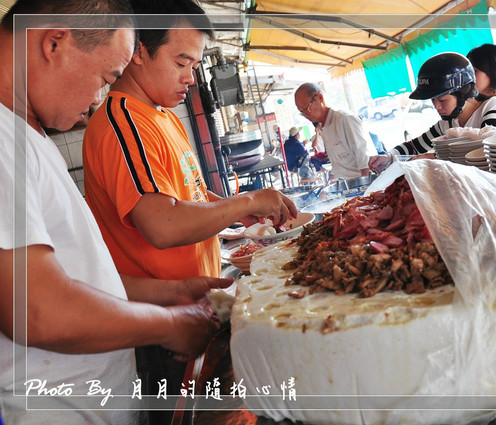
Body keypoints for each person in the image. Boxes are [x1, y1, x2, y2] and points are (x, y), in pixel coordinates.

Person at [0, 1, 232, 425]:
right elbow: (38, 310)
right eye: (106, 77)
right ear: (54, 42)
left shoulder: (26, 134)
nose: (99, 98)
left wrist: (171, 293)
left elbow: (75, 278)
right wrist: (170, 324)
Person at [81, 0, 296, 419]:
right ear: (138, 51)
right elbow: (161, 222)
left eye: (195, 65)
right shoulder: (123, 121)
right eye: (182, 62)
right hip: (164, 329)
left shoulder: (163, 115)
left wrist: (236, 211)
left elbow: (188, 197)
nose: (190, 77)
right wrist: (248, 200)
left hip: (199, 307)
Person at [369, 52, 496, 173]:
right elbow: (415, 146)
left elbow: (487, 149)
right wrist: (388, 157)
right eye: (433, 100)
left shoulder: (492, 107)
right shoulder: (447, 123)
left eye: (442, 100)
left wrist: (432, 157)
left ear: (464, 92)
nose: (437, 106)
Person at [294, 83, 377, 180]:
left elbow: (367, 165)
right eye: (301, 112)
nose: (306, 115)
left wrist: (367, 193)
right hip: (345, 188)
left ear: (320, 98)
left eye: (307, 108)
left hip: (360, 186)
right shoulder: (324, 127)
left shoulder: (345, 119)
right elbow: (338, 166)